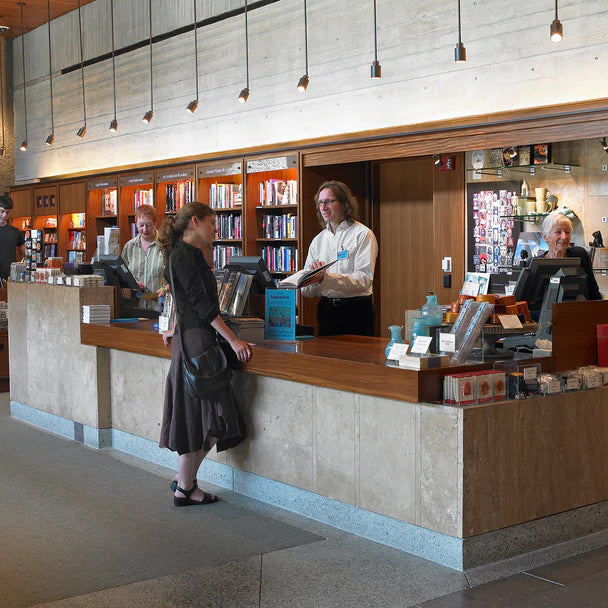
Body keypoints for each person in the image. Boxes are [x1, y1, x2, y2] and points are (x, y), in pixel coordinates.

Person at [158, 202, 253, 507]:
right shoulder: (187, 256)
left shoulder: (178, 256)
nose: (215, 229)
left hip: (188, 340)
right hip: (198, 344)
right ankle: (185, 486)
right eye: (212, 223)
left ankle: (186, 484)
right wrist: (234, 339)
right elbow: (203, 306)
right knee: (215, 416)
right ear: (195, 222)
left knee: (200, 417)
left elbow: (183, 299)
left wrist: (174, 324)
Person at [301, 180, 378, 336]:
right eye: (320, 203)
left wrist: (324, 277)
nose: (323, 207)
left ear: (344, 204)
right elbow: (306, 291)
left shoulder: (362, 234)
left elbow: (364, 280)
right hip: (326, 312)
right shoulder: (318, 240)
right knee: (326, 360)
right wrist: (310, 279)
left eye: (328, 201)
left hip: (356, 311)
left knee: (356, 359)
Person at [537, 211, 601, 300]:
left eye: (567, 232)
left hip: (579, 310)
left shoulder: (580, 255)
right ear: (545, 237)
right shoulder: (536, 263)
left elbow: (593, 290)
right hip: (546, 312)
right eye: (558, 232)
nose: (564, 237)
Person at [121, 204, 166, 308]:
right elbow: (121, 275)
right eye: (141, 225)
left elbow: (176, 277)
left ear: (155, 223)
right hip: (136, 306)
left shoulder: (165, 245)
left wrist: (165, 289)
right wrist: (132, 283)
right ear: (136, 223)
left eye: (149, 225)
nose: (145, 229)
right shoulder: (129, 247)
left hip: (160, 306)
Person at [0, 195, 26, 281]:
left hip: (11, 278)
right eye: (2, 211)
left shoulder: (16, 232)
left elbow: (24, 253)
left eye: (7, 213)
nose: (4, 216)